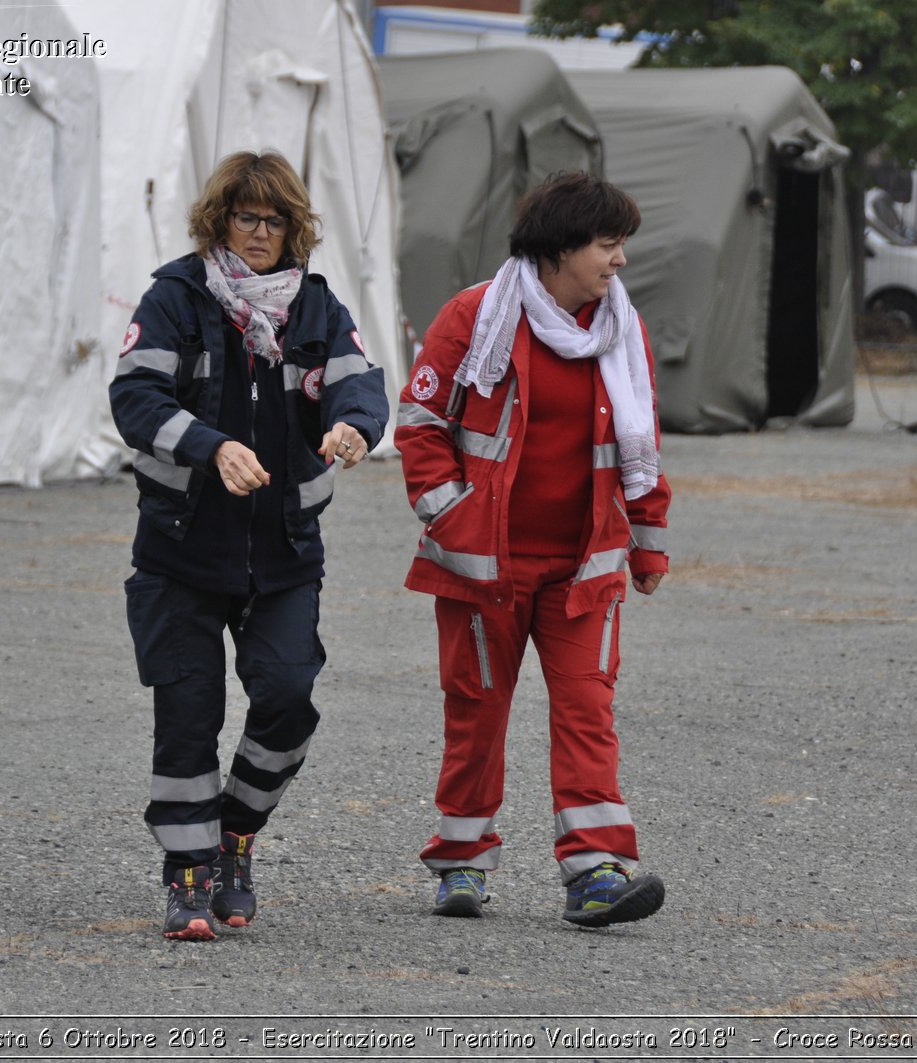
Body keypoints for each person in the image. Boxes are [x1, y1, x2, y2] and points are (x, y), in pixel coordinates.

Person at [109, 150, 388, 940]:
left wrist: (352, 424)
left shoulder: (317, 306)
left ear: (294, 227)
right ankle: (189, 875)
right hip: (181, 550)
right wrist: (208, 445)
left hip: (285, 551)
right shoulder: (177, 296)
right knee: (189, 713)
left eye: (274, 220)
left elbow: (359, 380)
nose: (259, 233)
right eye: (245, 216)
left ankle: (237, 833)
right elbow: (134, 394)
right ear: (219, 219)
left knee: (288, 696)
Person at [395, 172, 671, 928]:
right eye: (607, 244)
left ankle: (597, 870)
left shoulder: (621, 327)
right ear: (559, 250)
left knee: (588, 710)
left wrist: (647, 541)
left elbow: (641, 437)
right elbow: (419, 420)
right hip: (485, 567)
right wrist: (450, 516)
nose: (619, 261)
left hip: (585, 566)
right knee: (477, 712)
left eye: (621, 245)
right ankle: (460, 864)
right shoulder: (475, 315)